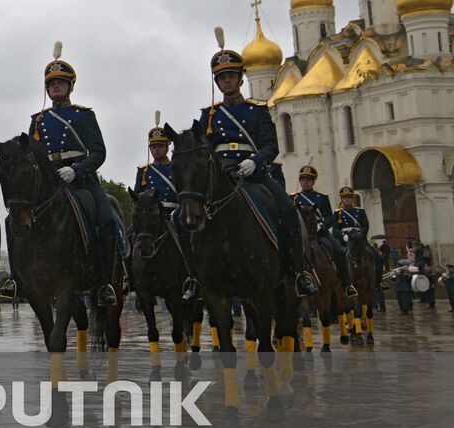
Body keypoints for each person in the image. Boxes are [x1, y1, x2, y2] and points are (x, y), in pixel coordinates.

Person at [201, 31, 318, 298]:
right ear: (217, 83)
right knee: (188, 216)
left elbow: (271, 146)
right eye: (222, 78)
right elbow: (205, 147)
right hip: (223, 175)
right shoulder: (209, 115)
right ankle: (195, 276)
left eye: (231, 76)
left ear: (240, 79)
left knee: (289, 210)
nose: (227, 81)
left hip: (253, 175)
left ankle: (298, 271)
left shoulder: (258, 109)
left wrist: (255, 161)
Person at [29, 45, 128, 306]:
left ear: (70, 86)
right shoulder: (38, 120)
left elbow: (99, 152)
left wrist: (76, 170)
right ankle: (19, 277)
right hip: (49, 184)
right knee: (16, 219)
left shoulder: (84, 116)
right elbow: (32, 156)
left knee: (107, 220)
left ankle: (105, 282)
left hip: (81, 180)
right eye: (51, 84)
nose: (56, 87)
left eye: (61, 83)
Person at [133, 117, 198, 302]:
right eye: (153, 147)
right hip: (151, 216)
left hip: (174, 212)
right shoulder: (144, 172)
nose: (157, 150)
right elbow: (138, 195)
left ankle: (192, 276)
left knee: (188, 239)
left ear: (168, 146)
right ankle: (129, 278)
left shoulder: (175, 168)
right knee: (130, 237)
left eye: (160, 146)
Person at [294, 165, 357, 299]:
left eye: (309, 180)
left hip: (320, 233)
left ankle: (347, 285)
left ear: (313, 182)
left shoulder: (321, 197)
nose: (305, 182)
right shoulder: (294, 198)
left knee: (339, 252)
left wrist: (321, 226)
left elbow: (329, 217)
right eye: (303, 179)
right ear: (300, 181)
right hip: (301, 235)